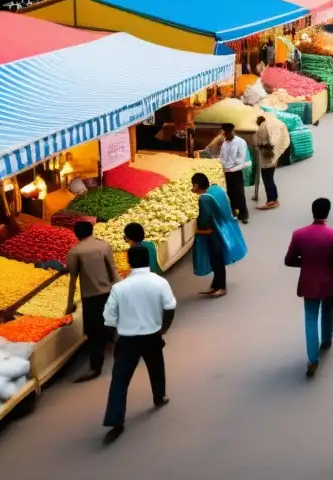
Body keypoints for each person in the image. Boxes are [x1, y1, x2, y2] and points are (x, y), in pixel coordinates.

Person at [101, 245, 176, 444]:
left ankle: (115, 421)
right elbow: (170, 307)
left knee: (120, 379)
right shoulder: (160, 283)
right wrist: (163, 329)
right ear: (149, 260)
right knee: (156, 366)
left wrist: (113, 338)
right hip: (152, 335)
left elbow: (108, 318)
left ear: (128, 261)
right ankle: (159, 396)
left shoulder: (119, 287)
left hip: (127, 339)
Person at [284, 198, 333, 378]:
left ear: (312, 211)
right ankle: (327, 339)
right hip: (329, 281)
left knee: (310, 318)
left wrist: (306, 263)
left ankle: (313, 360)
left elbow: (289, 260)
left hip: (308, 283)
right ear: (328, 213)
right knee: (328, 309)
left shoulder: (299, 234)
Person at [66, 220, 120, 382]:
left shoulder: (75, 252)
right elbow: (112, 270)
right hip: (109, 291)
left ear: (76, 234)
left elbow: (73, 279)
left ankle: (95, 368)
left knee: (94, 332)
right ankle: (118, 345)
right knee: (112, 321)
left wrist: (69, 303)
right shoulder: (104, 246)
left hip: (91, 296)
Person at [191, 172, 248, 297]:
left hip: (212, 231)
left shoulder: (204, 198)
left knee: (216, 259)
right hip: (223, 227)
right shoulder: (215, 189)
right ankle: (216, 284)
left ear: (196, 185)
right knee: (217, 258)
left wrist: (199, 230)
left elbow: (204, 217)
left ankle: (221, 286)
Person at [254, 115, 289, 211]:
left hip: (267, 160)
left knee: (267, 179)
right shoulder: (272, 129)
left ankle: (271, 200)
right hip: (272, 159)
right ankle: (274, 198)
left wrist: (260, 145)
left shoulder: (263, 129)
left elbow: (262, 143)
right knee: (270, 179)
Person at [218, 122, 250, 223]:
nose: (227, 135)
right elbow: (222, 157)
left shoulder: (240, 142)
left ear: (233, 131)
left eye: (228, 132)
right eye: (225, 133)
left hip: (235, 171)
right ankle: (234, 212)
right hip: (226, 171)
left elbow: (241, 158)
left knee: (239, 192)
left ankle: (244, 214)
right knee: (230, 193)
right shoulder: (225, 143)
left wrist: (232, 163)